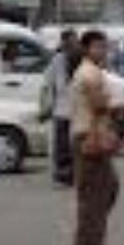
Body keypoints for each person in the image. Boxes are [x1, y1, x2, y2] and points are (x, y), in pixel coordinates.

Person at [69, 30, 120, 245]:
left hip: (90, 133)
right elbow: (98, 105)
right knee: (96, 190)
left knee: (104, 188)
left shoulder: (93, 71)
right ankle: (85, 242)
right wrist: (116, 108)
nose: (103, 51)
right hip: (89, 135)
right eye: (99, 47)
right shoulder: (89, 73)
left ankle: (92, 240)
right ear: (87, 49)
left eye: (104, 46)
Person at [43, 29, 80, 187]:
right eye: (67, 42)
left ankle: (76, 175)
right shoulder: (57, 59)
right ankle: (63, 177)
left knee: (77, 146)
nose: (70, 45)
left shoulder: (82, 59)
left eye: (73, 42)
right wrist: (48, 105)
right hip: (62, 110)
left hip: (78, 110)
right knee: (62, 146)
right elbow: (49, 83)